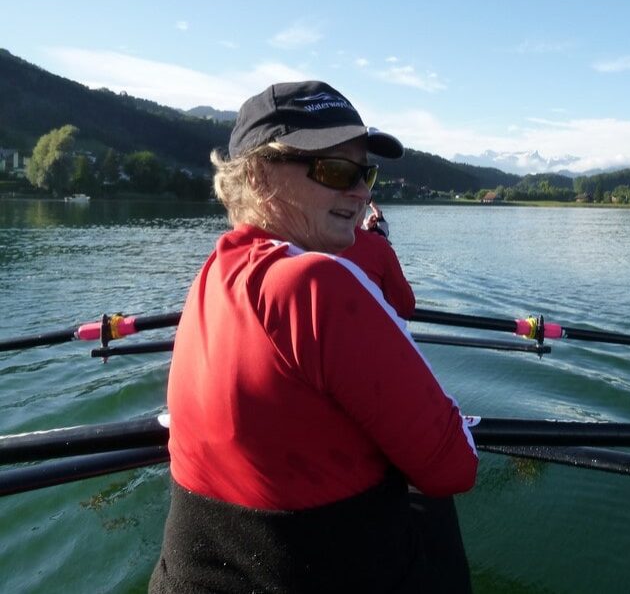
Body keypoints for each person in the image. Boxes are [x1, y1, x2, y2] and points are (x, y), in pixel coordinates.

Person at [150, 81, 478, 593]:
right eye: (334, 171)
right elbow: (454, 467)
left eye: (365, 172)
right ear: (259, 177)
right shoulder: (315, 285)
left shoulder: (212, 272)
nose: (362, 191)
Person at [343, 206, 416, 319]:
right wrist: (376, 237)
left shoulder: (310, 242)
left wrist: (370, 233)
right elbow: (405, 307)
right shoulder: (377, 247)